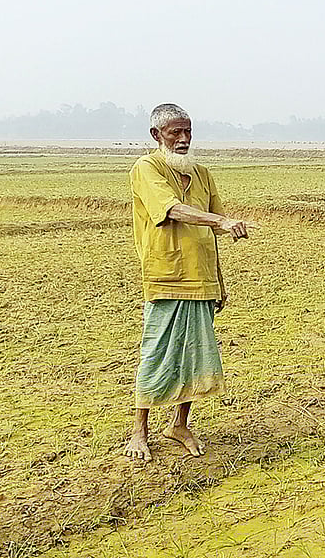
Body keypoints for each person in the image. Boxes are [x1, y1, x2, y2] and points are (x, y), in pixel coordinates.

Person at [123, 103, 257, 460]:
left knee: (196, 356)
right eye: (175, 133)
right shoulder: (147, 168)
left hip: (203, 278)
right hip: (167, 276)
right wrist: (221, 222)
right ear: (157, 136)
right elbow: (172, 211)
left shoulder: (201, 173)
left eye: (188, 131)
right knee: (157, 353)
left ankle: (179, 424)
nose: (183, 139)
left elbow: (214, 225)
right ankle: (140, 430)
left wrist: (220, 280)